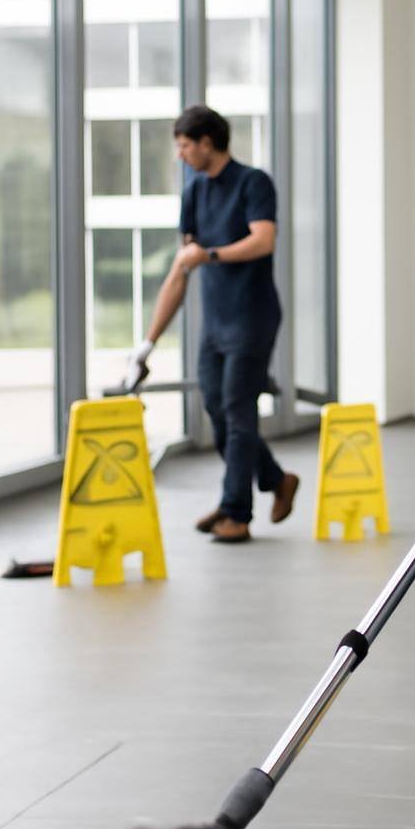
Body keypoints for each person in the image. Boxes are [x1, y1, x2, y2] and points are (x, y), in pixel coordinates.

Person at [124, 105, 299, 544]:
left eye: (185, 146)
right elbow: (182, 268)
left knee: (238, 412)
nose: (180, 155)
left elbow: (264, 240)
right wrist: (148, 343)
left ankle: (236, 512)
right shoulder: (194, 192)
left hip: (253, 317)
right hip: (216, 323)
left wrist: (212, 254)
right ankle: (275, 479)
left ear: (207, 142)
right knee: (218, 413)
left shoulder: (253, 182)